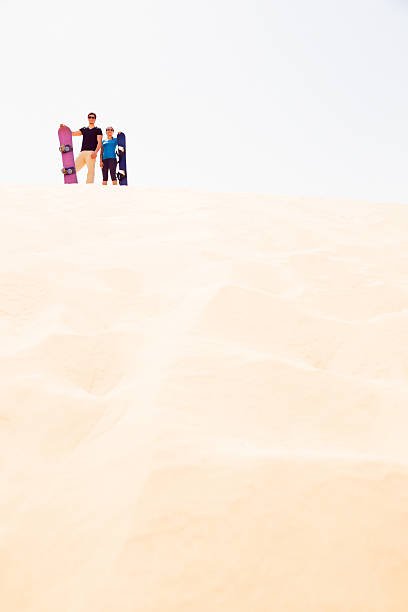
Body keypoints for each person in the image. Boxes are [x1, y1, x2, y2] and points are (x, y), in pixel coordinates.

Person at [60, 113, 102, 183]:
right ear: (88, 118)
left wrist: (95, 152)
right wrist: (65, 128)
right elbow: (72, 133)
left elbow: (99, 142)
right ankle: (69, 181)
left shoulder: (98, 129)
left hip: (91, 152)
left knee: (91, 171)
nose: (91, 118)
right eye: (90, 117)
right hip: (82, 153)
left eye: (93, 117)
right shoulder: (84, 129)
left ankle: (89, 186)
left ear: (95, 119)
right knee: (74, 168)